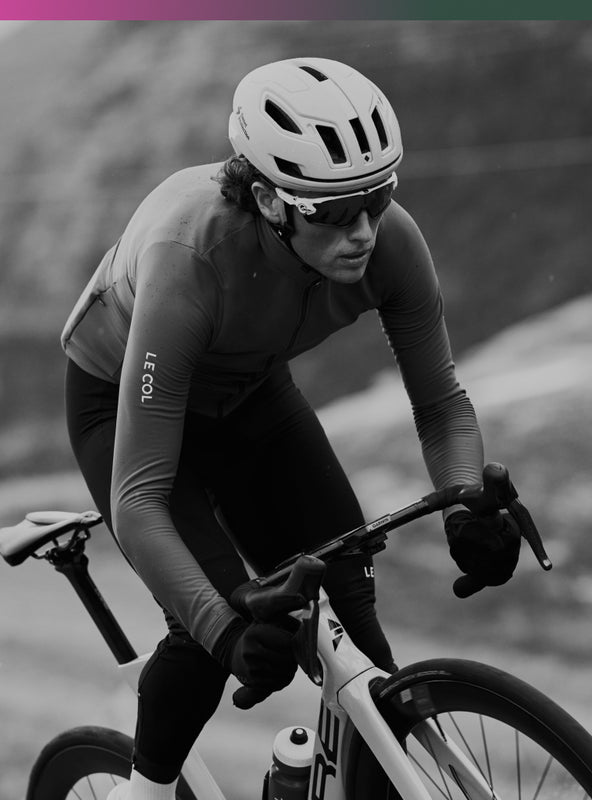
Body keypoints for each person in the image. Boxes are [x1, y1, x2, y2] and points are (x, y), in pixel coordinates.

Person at [61, 57, 521, 800]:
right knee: (206, 624)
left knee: (350, 605)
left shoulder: (391, 243)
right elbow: (140, 500)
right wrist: (226, 630)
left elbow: (440, 405)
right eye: (335, 214)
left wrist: (466, 500)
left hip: (249, 392)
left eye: (377, 198)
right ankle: (142, 794)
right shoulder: (191, 261)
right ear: (270, 204)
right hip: (124, 401)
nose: (365, 232)